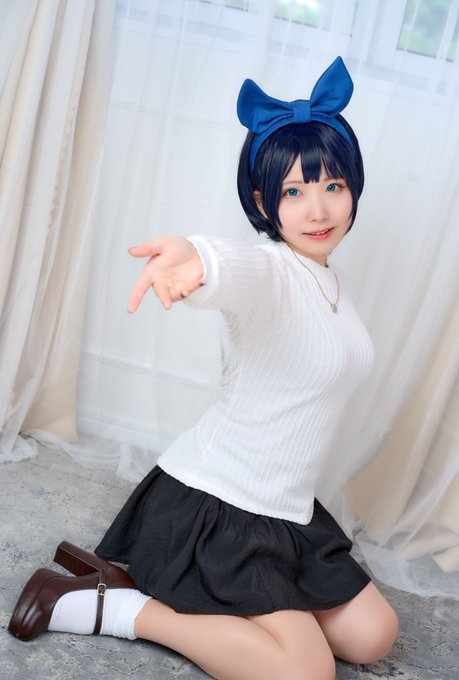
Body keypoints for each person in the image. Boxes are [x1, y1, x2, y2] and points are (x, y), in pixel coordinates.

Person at [8, 57, 398, 680]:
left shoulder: (332, 281)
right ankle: (118, 607)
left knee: (375, 635)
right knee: (307, 671)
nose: (318, 209)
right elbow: (235, 270)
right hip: (220, 505)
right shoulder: (274, 271)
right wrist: (196, 259)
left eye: (333, 186)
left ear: (354, 188)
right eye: (294, 192)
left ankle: (174, 593)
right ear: (263, 202)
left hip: (288, 510)